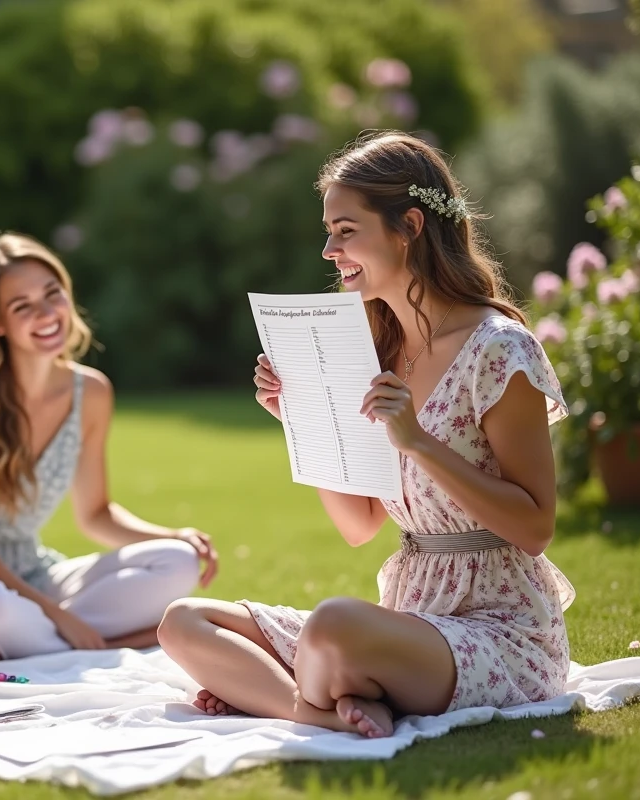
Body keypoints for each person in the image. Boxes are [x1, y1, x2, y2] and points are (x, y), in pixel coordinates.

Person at [158, 131, 575, 738]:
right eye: (328, 231)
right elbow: (361, 527)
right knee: (183, 622)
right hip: (406, 618)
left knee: (332, 630)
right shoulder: (378, 349)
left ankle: (293, 691)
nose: (329, 249)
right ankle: (320, 708)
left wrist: (419, 442)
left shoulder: (499, 351)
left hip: (499, 632)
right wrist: (298, 419)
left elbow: (535, 527)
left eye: (345, 230)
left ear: (408, 225)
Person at [0, 232, 217, 662]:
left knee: (177, 562)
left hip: (32, 574)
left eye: (52, 294)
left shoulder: (91, 393)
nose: (46, 313)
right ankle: (95, 643)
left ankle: (18, 647)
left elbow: (95, 514)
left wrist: (173, 535)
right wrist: (58, 615)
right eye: (22, 306)